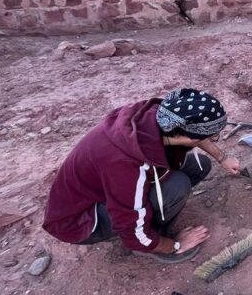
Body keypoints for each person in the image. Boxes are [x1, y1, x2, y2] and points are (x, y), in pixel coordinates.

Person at [43, 88, 241, 263]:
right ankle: (155, 241)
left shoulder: (159, 115)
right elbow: (131, 231)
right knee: (177, 185)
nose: (212, 139)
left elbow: (194, 133)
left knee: (199, 166)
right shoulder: (126, 164)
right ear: (186, 135)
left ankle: (151, 214)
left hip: (105, 188)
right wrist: (175, 246)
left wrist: (222, 158)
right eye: (212, 136)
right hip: (79, 220)